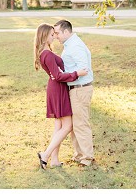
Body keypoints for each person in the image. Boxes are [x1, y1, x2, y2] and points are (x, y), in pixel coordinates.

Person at [33, 23, 90, 169]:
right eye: (52, 35)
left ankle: (54, 160)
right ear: (45, 36)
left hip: (57, 88)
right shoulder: (47, 54)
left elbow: (56, 73)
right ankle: (45, 155)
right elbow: (58, 75)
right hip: (58, 89)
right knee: (68, 125)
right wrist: (77, 73)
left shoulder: (45, 52)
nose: (54, 37)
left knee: (58, 126)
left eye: (55, 34)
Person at [53, 19, 95, 167]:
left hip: (80, 88)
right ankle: (78, 154)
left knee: (81, 124)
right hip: (74, 89)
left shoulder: (75, 46)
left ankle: (87, 157)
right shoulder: (69, 45)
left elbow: (83, 69)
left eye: (57, 33)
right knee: (74, 124)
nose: (55, 36)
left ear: (66, 31)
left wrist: (62, 74)